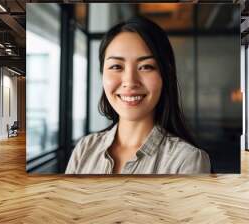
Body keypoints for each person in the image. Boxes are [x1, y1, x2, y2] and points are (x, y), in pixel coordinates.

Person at [66, 17, 210, 174]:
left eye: (146, 66)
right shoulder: (84, 149)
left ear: (165, 75)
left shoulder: (186, 161)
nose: (130, 81)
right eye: (116, 66)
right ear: (102, 75)